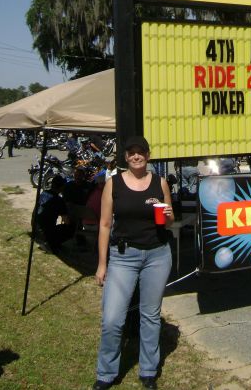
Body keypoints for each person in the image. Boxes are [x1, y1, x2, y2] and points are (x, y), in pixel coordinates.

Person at [93, 136, 174, 390]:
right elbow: (105, 225)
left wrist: (170, 217)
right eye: (132, 153)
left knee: (150, 315)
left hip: (157, 256)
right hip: (123, 257)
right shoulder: (113, 184)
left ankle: (148, 371)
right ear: (125, 157)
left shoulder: (160, 183)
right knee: (112, 318)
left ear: (148, 156)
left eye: (141, 152)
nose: (136, 156)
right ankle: (106, 374)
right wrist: (102, 264)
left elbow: (168, 222)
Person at [34, 175, 75, 253]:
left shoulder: (44, 193)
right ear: (62, 187)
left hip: (35, 226)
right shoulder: (58, 200)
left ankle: (53, 242)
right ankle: (51, 244)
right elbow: (66, 221)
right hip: (46, 231)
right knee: (71, 227)